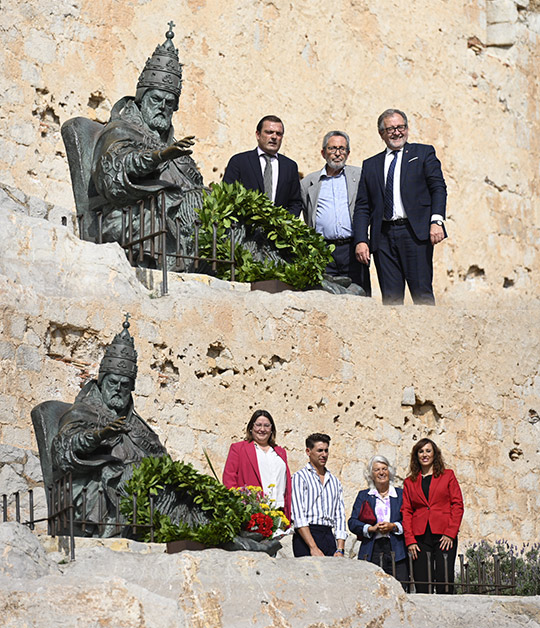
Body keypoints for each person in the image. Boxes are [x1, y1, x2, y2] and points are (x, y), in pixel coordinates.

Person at [91, 23, 207, 267]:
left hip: (186, 218)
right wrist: (159, 156)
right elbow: (115, 174)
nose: (163, 106)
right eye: (156, 99)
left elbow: (195, 186)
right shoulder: (120, 130)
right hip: (139, 213)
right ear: (142, 98)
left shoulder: (178, 149)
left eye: (169, 102)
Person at [51, 316, 167, 537]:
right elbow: (64, 448)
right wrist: (98, 436)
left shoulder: (137, 425)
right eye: (112, 383)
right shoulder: (82, 412)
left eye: (125, 386)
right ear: (102, 381)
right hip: (92, 489)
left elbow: (161, 458)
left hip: (140, 495)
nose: (118, 389)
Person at [353, 108, 447, 304]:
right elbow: (363, 206)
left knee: (422, 295)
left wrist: (436, 221)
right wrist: (362, 240)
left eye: (400, 127)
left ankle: (429, 334)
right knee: (391, 300)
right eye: (391, 129)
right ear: (382, 134)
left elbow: (438, 188)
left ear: (407, 128)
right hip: (383, 238)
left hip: (415, 234)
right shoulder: (371, 165)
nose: (397, 132)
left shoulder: (423, 153)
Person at [301, 131, 371, 296]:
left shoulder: (360, 176)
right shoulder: (308, 183)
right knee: (325, 298)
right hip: (323, 251)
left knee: (360, 297)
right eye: (332, 148)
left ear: (348, 152)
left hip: (353, 249)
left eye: (342, 148)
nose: (338, 153)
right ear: (323, 152)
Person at [401, 438, 464, 593]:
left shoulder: (447, 475)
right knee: (422, 581)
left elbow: (457, 505)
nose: (424, 454)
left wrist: (450, 533)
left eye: (428, 451)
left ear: (435, 454)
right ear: (416, 456)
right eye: (421, 451)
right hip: (420, 538)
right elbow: (406, 511)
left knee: (444, 580)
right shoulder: (410, 482)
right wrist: (410, 540)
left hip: (444, 536)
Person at [222, 115, 302, 218]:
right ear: (258, 135)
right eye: (269, 132)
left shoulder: (289, 166)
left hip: (278, 231)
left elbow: (295, 202)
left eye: (278, 134)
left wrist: (284, 224)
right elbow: (227, 196)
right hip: (246, 230)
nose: (274, 137)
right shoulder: (239, 162)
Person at [348, 455, 408, 587]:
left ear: (389, 471)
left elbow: (410, 520)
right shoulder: (364, 495)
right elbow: (352, 522)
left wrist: (393, 526)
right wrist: (371, 528)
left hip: (396, 550)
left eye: (384, 469)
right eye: (376, 470)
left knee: (400, 587)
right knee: (373, 588)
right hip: (372, 548)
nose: (381, 472)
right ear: (371, 474)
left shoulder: (401, 495)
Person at [222, 410, 292, 521]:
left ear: (271, 429)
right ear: (251, 427)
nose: (262, 429)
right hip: (252, 512)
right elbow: (229, 480)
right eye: (258, 425)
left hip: (278, 512)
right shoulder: (239, 449)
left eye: (267, 426)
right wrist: (240, 506)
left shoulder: (280, 452)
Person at [291, 433, 347, 557]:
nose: (324, 454)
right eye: (320, 450)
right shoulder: (299, 478)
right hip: (306, 537)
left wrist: (340, 548)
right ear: (308, 451)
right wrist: (313, 547)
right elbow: (298, 515)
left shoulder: (334, 481)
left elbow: (340, 515)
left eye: (326, 450)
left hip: (328, 535)